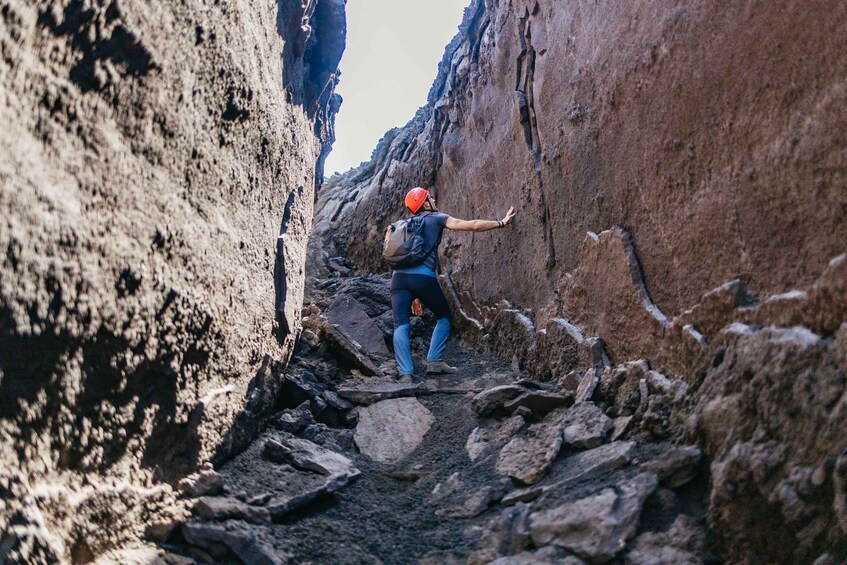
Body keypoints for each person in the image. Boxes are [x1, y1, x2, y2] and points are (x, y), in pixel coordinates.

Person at [389, 187, 516, 382]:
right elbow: (471, 225)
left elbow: (401, 256)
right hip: (423, 277)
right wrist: (501, 223)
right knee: (444, 317)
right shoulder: (437, 218)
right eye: (429, 196)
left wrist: (412, 294)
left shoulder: (402, 225)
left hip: (398, 279)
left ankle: (405, 374)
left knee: (401, 325)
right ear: (424, 203)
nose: (433, 197)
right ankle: (434, 361)